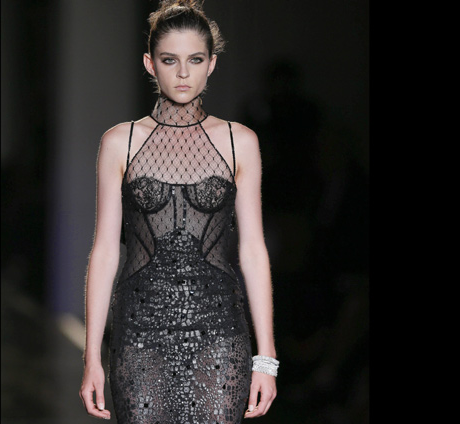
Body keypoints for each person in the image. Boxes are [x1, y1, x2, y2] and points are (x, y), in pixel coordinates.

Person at [79, 1, 277, 422]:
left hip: (220, 330)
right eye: (170, 60)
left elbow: (253, 250)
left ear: (212, 64)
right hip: (139, 330)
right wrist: (91, 356)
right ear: (150, 64)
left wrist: (266, 359)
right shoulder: (120, 142)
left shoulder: (239, 142)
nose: (183, 73)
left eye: (195, 60)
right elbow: (106, 251)